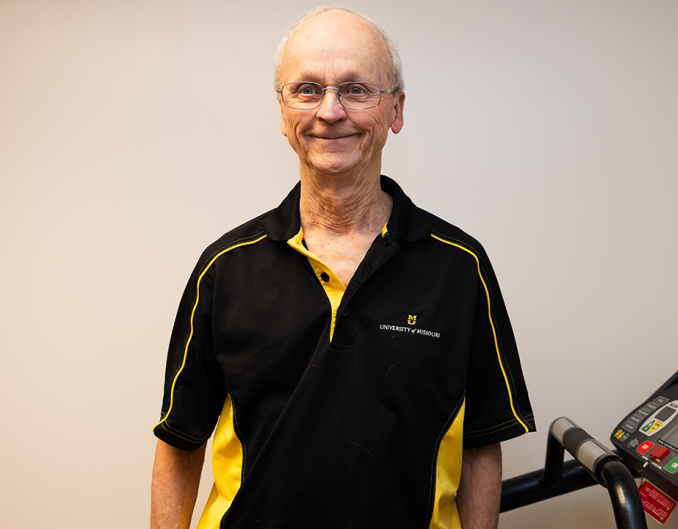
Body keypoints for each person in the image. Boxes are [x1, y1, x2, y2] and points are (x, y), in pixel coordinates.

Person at [150, 6, 535, 529]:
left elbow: (479, 445)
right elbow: (180, 440)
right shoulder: (225, 268)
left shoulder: (459, 267)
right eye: (307, 90)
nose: (330, 111)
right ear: (283, 112)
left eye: (356, 89)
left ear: (396, 110)